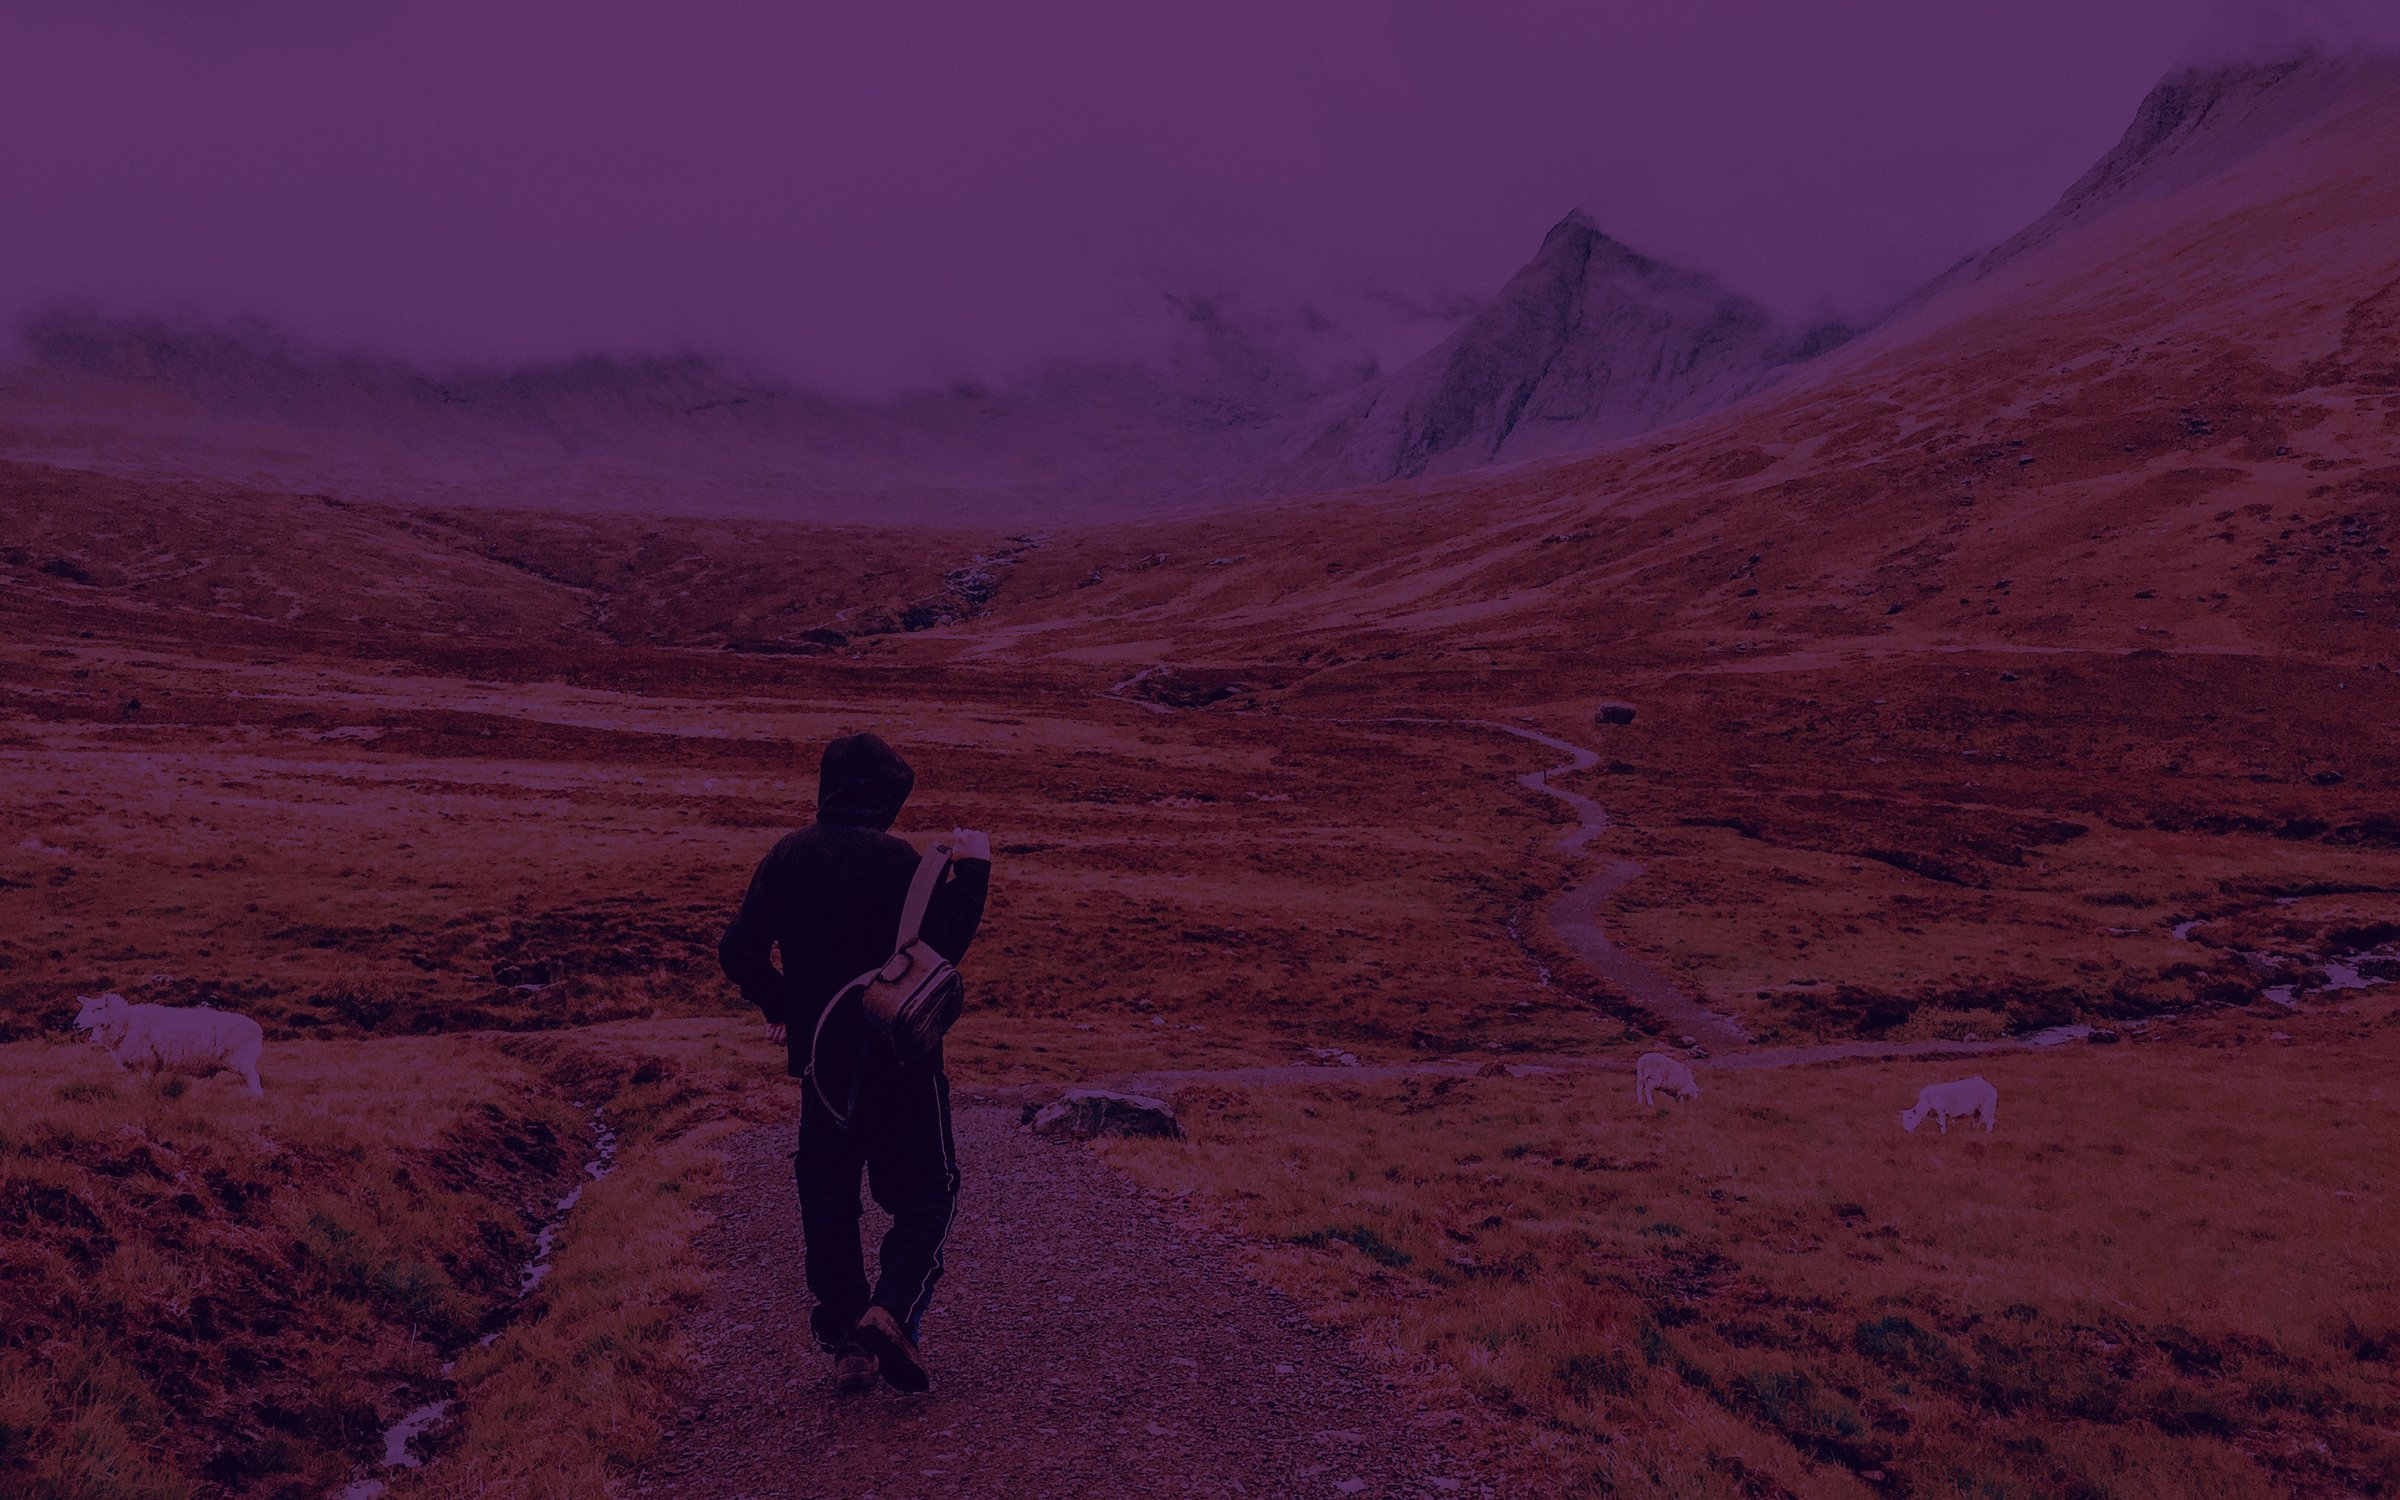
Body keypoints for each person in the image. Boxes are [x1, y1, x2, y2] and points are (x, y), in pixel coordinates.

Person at [718, 732, 992, 1394]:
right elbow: (943, 947)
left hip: (822, 1067)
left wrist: (786, 1008)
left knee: (828, 1194)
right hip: (905, 1062)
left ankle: (848, 1337)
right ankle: (889, 1312)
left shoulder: (786, 857)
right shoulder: (902, 863)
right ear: (882, 794)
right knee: (929, 1190)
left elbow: (738, 953)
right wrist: (976, 869)